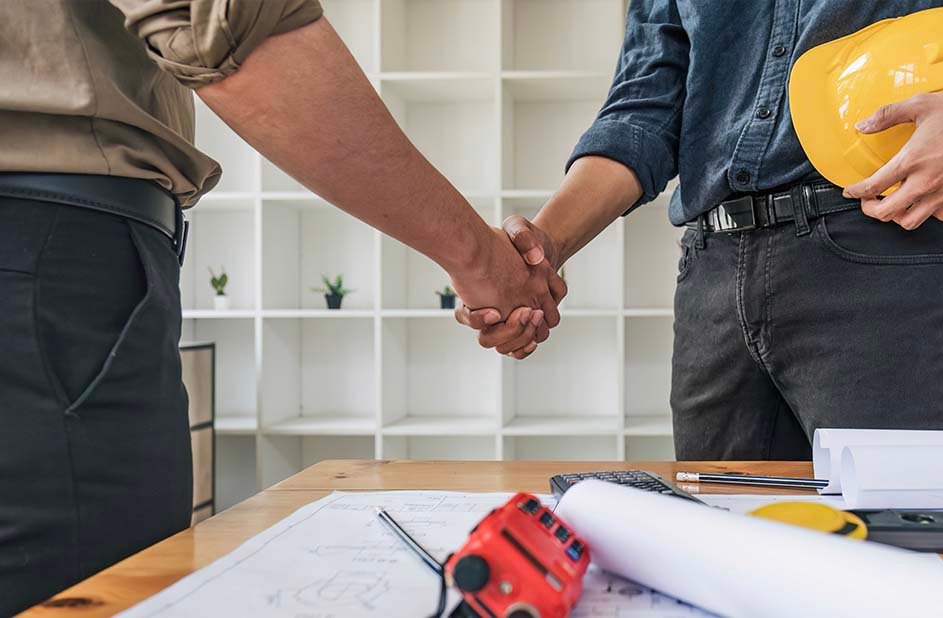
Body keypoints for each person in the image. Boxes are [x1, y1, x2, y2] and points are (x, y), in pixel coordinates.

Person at [0, 1, 562, 613]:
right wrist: (482, 261)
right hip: (44, 255)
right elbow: (218, 24)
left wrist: (496, 261)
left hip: (46, 255)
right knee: (93, 588)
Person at [459, 1, 943, 460]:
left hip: (879, 251)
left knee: (908, 553)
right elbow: (645, 111)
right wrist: (541, 248)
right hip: (711, 279)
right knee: (722, 547)